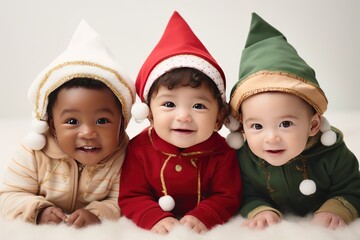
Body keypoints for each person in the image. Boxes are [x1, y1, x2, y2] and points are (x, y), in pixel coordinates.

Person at [226, 13, 360, 230]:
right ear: (242, 127)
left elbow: (352, 187)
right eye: (257, 126)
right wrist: (260, 208)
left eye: (285, 124)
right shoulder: (244, 159)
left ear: (314, 125)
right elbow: (242, 193)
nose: (271, 138)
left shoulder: (333, 153)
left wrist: (336, 207)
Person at [0, 20, 135, 228]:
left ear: (122, 123)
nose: (88, 132)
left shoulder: (123, 155)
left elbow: (126, 199)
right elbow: (8, 196)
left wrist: (97, 214)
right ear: (52, 125)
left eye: (102, 121)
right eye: (72, 121)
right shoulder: (34, 152)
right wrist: (38, 210)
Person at [118, 11, 242, 234]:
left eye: (199, 106)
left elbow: (228, 195)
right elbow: (132, 194)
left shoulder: (222, 153)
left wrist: (205, 214)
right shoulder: (139, 149)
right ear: (149, 114)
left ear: (219, 118)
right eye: (169, 105)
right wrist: (152, 216)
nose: (184, 116)